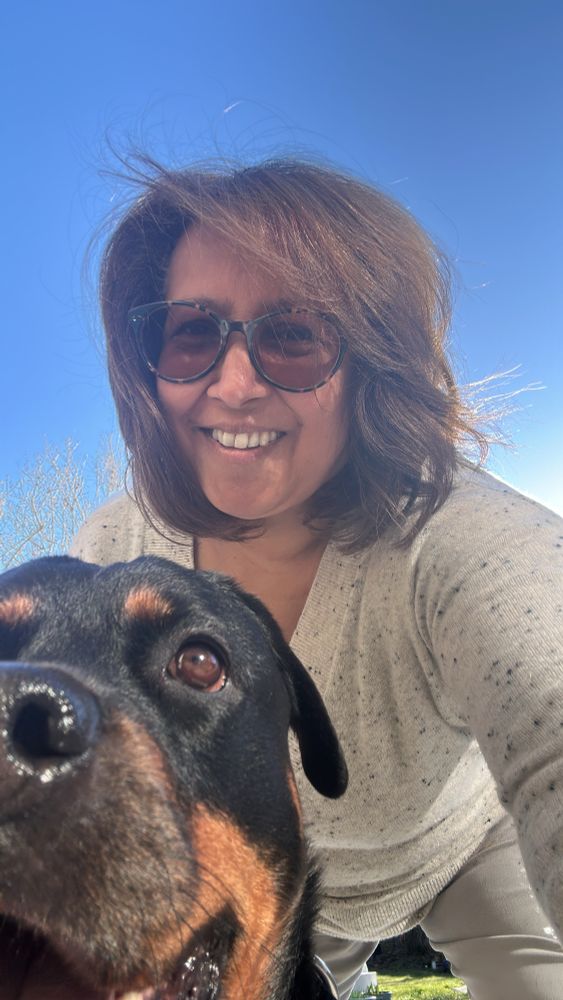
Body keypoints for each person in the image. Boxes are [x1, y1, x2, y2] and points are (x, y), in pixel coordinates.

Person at [71, 157, 563, 999]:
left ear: (370, 362)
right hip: (285, 873)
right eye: (191, 332)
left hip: (463, 849)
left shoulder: (458, 539)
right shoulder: (115, 551)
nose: (232, 384)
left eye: (293, 335)